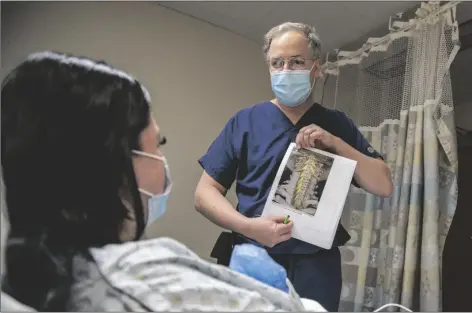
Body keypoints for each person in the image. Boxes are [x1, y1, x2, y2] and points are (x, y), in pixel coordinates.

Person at [0, 52, 308, 311]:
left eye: (297, 62)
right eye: (156, 145)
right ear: (110, 163)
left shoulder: (36, 276)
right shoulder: (142, 279)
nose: (162, 161)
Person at [195, 22, 393, 311]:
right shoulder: (245, 122)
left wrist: (336, 143)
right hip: (254, 254)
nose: (286, 70)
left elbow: (383, 184)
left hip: (316, 264)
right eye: (277, 63)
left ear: (316, 68)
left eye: (297, 62)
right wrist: (249, 227)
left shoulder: (337, 124)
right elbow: (204, 193)